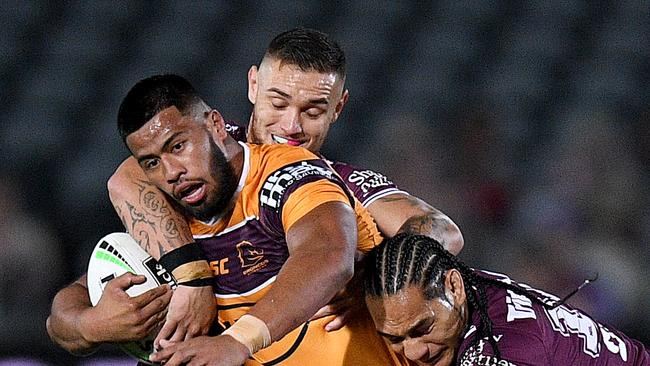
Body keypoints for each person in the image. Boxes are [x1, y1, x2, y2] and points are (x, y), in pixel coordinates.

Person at [107, 27, 463, 342]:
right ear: (253, 85)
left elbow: (443, 231)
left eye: (313, 111)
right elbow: (127, 175)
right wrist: (191, 277)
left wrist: (370, 276)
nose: (291, 126)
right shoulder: (201, 156)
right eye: (278, 103)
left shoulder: (335, 182)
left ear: (338, 108)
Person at [121, 74, 410, 365]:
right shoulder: (168, 221)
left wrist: (237, 340)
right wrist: (91, 324)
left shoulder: (285, 173)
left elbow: (328, 254)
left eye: (178, 146)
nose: (171, 172)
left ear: (216, 125)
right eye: (152, 163)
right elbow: (77, 303)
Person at [364, 234, 649, 365]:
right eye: (396, 339)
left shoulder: (504, 350)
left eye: (422, 329)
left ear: (454, 286)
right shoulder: (452, 283)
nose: (414, 352)